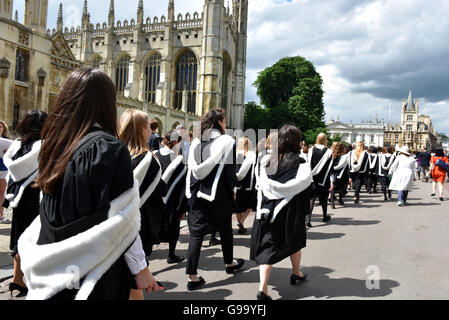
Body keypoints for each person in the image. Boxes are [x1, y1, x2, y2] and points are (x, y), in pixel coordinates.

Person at [19, 67, 160, 300]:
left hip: (54, 263)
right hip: (97, 268)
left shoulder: (54, 147)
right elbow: (123, 220)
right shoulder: (110, 149)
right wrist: (140, 268)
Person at [185, 109, 244, 291]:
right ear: (219, 122)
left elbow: (192, 169)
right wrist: (233, 190)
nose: (225, 124)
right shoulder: (227, 141)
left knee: (196, 234)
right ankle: (229, 263)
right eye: (224, 121)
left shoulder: (196, 141)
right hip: (219, 195)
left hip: (196, 194)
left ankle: (193, 277)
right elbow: (230, 171)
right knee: (225, 229)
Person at [250, 125, 312, 301]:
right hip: (289, 212)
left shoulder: (265, 161)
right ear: (295, 142)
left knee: (267, 248)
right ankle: (296, 272)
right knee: (295, 242)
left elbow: (260, 187)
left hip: (267, 210)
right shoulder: (301, 164)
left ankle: (263, 289)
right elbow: (306, 190)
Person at [2, 111, 47, 297]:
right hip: (35, 196)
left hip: (16, 197)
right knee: (34, 239)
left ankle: (16, 280)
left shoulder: (16, 146)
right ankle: (31, 280)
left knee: (18, 237)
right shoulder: (43, 146)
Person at [119, 110, 166, 259]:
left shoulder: (115, 153)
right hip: (138, 224)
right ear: (141, 129)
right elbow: (156, 194)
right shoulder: (146, 158)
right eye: (148, 126)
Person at [154, 130, 188, 264]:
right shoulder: (178, 161)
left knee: (153, 228)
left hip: (154, 200)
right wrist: (182, 208)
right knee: (173, 227)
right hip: (171, 201)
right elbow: (181, 187)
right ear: (175, 142)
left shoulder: (154, 155)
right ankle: (171, 254)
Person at [306, 133, 333, 228]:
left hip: (312, 178)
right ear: (325, 139)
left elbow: (308, 164)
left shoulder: (311, 150)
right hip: (324, 179)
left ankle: (308, 219)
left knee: (311, 198)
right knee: (324, 198)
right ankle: (325, 216)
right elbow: (330, 167)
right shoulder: (329, 152)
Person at [234, 137, 257, 234]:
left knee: (238, 206)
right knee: (250, 205)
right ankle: (241, 222)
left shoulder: (234, 155)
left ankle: (241, 227)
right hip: (248, 184)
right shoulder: (251, 155)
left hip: (237, 183)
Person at [330, 142, 350, 209]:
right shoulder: (344, 156)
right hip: (341, 174)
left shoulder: (331, 155)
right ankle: (340, 200)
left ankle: (332, 202)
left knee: (332, 188)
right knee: (341, 188)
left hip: (332, 173)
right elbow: (346, 166)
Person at [0, 120, 12, 224]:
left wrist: (7, 153)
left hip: (3, 169)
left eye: (0, 127)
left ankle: (0, 216)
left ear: (3, 129)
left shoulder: (7, 141)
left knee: (1, 193)